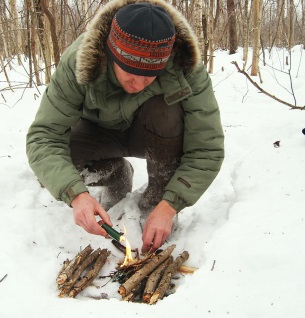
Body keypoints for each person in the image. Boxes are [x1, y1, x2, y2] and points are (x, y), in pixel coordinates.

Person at [26, 0, 224, 253]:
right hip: (98, 133)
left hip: (154, 134)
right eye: (130, 72)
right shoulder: (80, 58)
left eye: (150, 75)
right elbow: (44, 137)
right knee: (55, 169)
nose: (139, 84)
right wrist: (76, 195)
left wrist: (170, 204)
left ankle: (156, 202)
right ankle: (115, 174)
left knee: (167, 110)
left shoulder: (185, 67)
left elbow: (207, 148)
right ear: (111, 54)